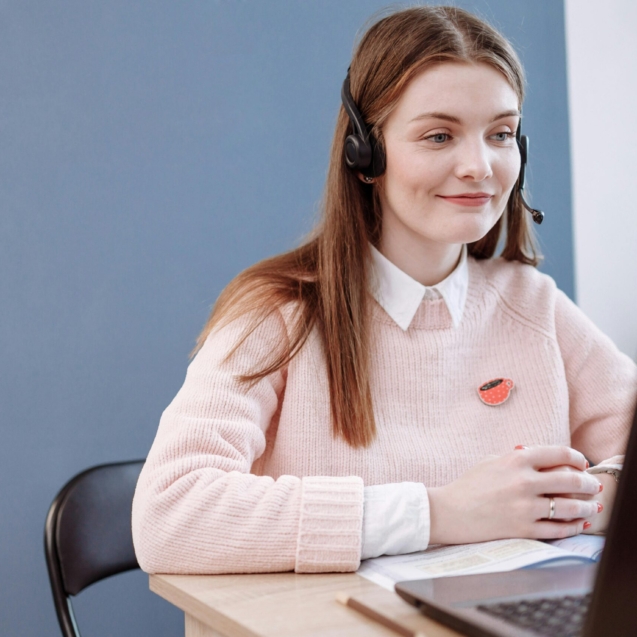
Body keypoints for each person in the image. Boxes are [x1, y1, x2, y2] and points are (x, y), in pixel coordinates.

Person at [132, 6, 637, 575]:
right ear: (365, 153)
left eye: (500, 134)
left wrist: (568, 503)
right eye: (439, 135)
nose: (479, 165)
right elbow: (168, 514)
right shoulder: (277, 315)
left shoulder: (532, 304)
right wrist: (439, 513)